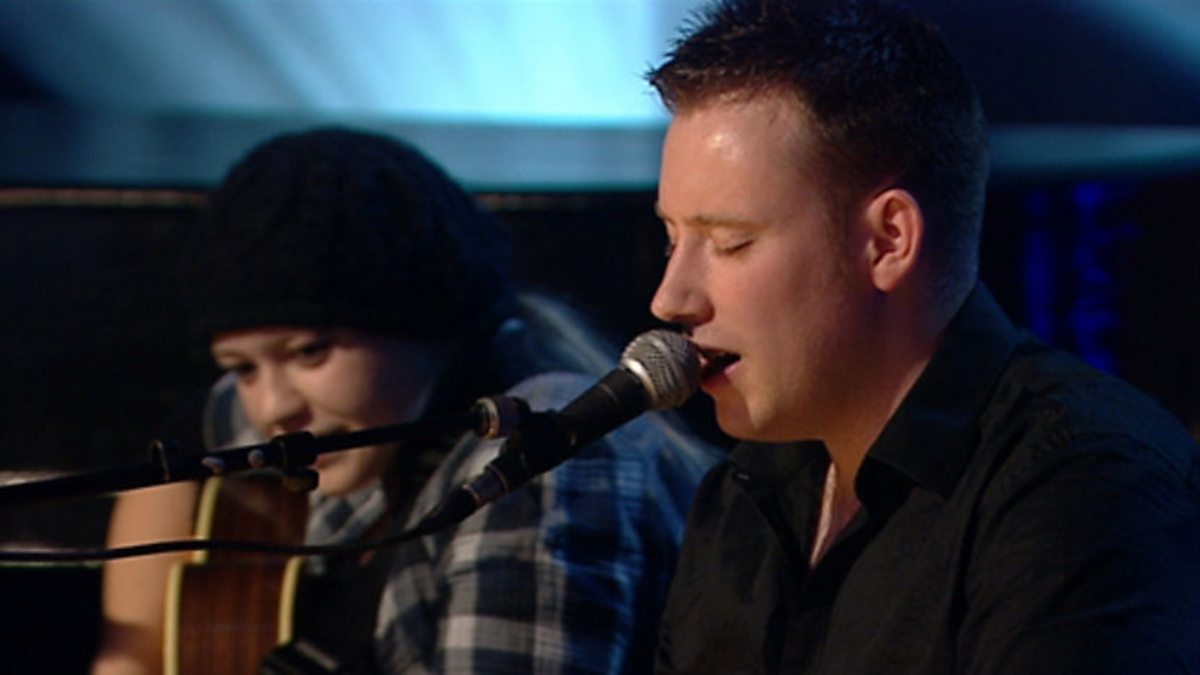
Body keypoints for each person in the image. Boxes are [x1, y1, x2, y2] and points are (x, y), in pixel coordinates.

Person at [644, 0, 1200, 673]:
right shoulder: (742, 496)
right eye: (672, 238)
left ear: (889, 240)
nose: (670, 297)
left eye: (730, 243)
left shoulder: (1086, 490)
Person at [91, 127, 719, 674]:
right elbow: (134, 650)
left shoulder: (543, 459)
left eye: (310, 352)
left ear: (429, 327)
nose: (272, 408)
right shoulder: (344, 414)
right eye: (242, 367)